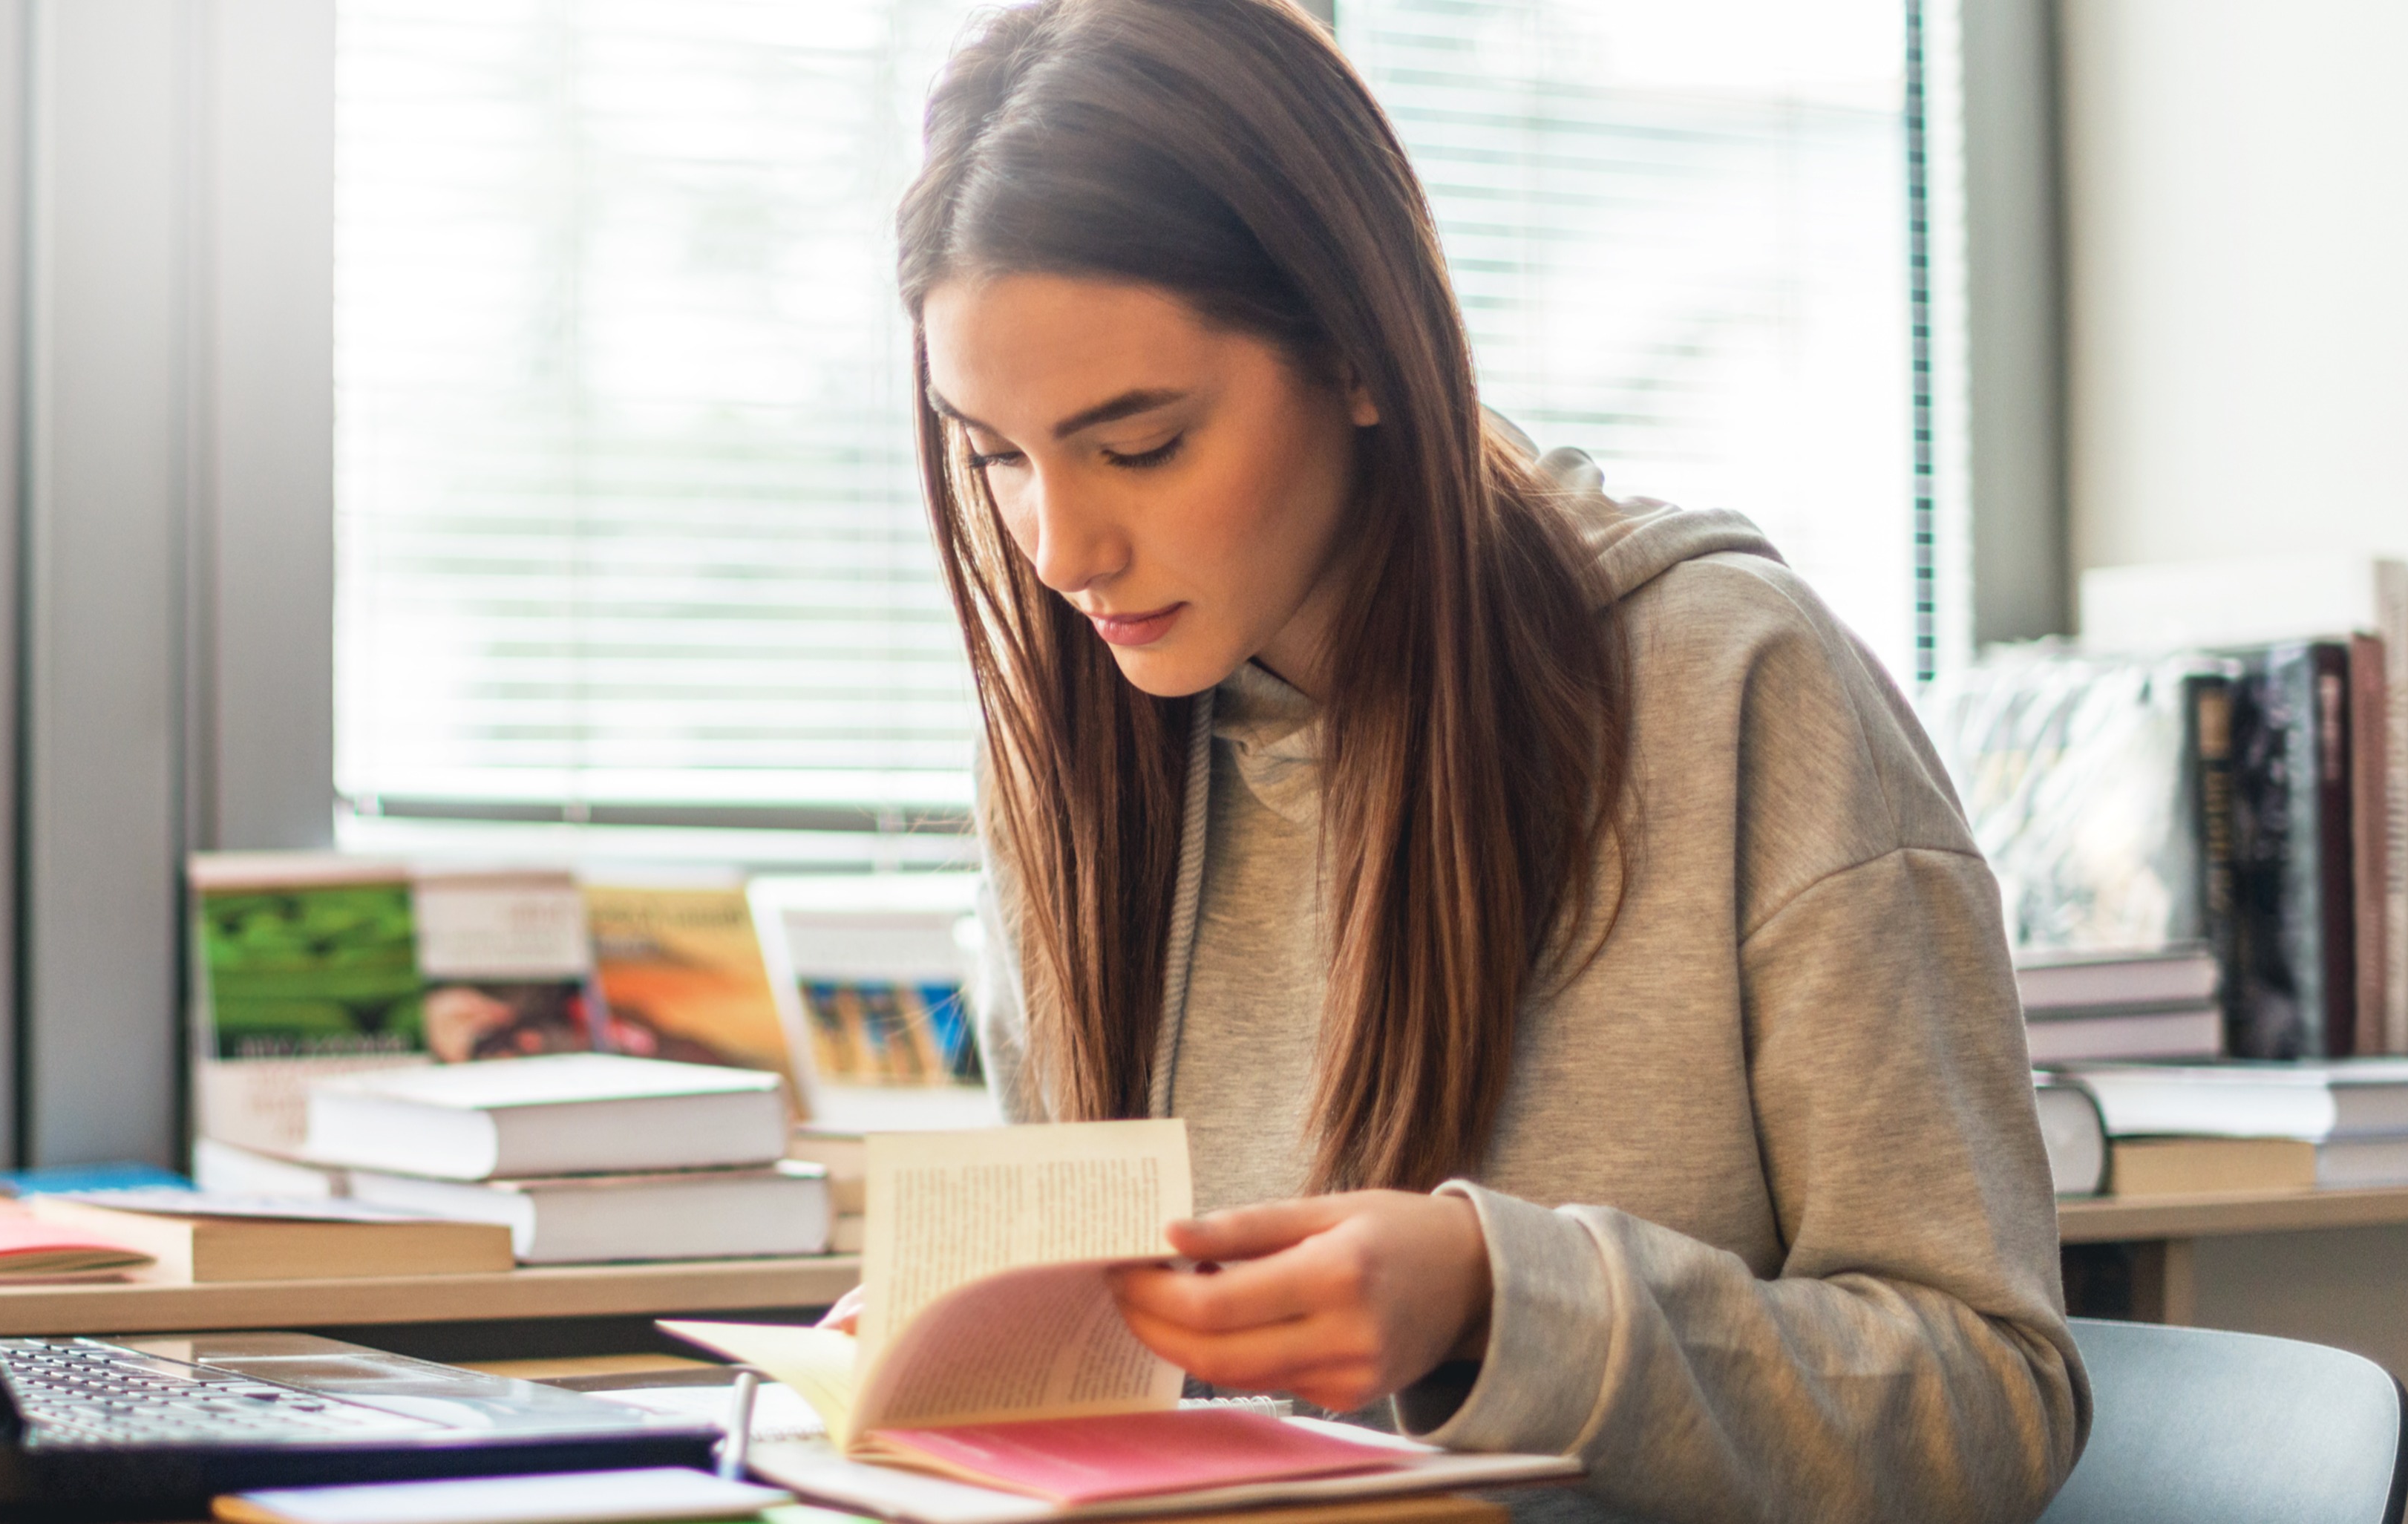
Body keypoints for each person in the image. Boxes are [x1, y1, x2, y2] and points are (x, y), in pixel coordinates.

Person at [822, 1, 2087, 1519]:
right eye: (995, 457)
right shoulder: (1074, 766)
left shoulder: (1740, 690)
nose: (1060, 548)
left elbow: (1993, 1403)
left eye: (1140, 445)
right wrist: (981, 1365)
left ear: (1363, 352)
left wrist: (1504, 1301)